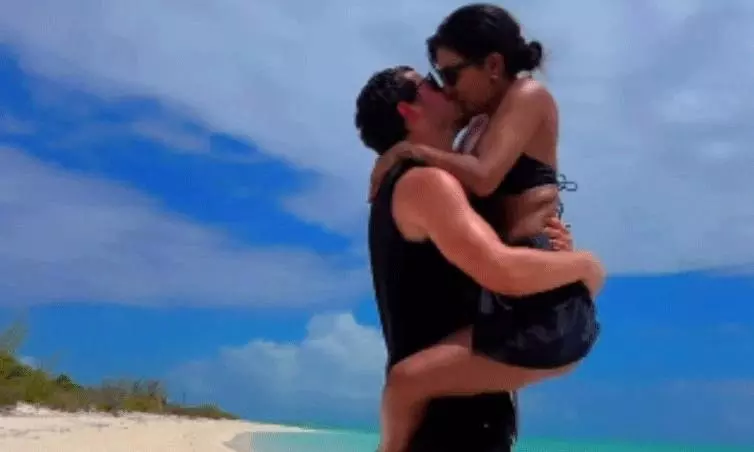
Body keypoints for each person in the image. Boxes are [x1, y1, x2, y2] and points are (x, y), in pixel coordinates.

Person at [364, 5, 604, 451]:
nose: (448, 89)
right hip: (514, 292)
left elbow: (485, 178)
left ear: (493, 65)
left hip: (539, 297)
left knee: (407, 380)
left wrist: (405, 152)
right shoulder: (474, 131)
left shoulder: (528, 95)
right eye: (438, 80)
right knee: (412, 381)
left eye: (450, 75)